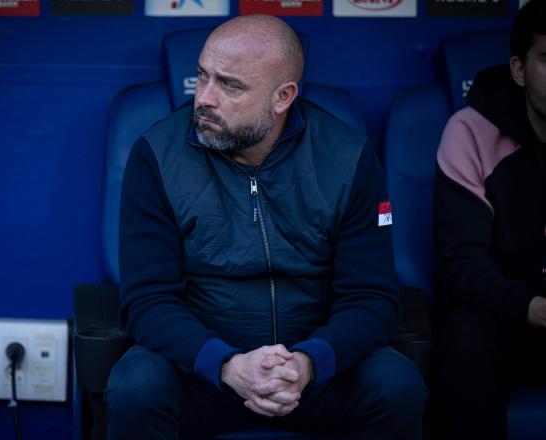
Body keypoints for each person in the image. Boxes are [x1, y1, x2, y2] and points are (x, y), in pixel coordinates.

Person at [107, 14, 426, 440]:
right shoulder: (157, 154)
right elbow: (148, 299)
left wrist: (308, 363)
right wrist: (225, 365)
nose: (204, 97)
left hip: (313, 377)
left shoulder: (348, 157)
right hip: (204, 375)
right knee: (135, 386)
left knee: (396, 384)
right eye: (202, 76)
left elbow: (371, 296)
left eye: (230, 85)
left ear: (283, 97)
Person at [431, 0, 546, 438]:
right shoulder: (471, 131)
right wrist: (531, 307)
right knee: (465, 340)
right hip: (506, 319)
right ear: (519, 69)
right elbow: (461, 267)